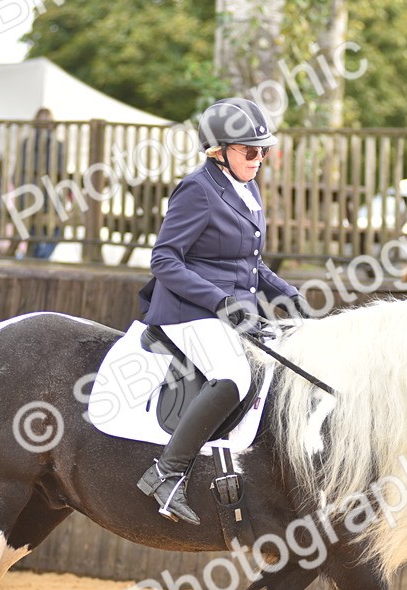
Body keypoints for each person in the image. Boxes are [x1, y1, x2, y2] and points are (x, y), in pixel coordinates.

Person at [135, 98, 309, 525]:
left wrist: (290, 296)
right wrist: (218, 301)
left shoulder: (246, 188)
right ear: (220, 150)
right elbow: (164, 260)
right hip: (187, 311)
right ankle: (166, 473)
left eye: (264, 150)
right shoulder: (197, 188)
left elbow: (250, 264)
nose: (259, 158)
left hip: (231, 311)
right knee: (233, 375)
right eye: (250, 151)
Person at [13, 107, 66, 259]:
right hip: (50, 201)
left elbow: (14, 176)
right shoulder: (58, 146)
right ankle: (41, 255)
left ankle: (36, 254)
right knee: (60, 226)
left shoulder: (26, 144)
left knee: (35, 227)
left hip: (27, 198)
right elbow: (62, 177)